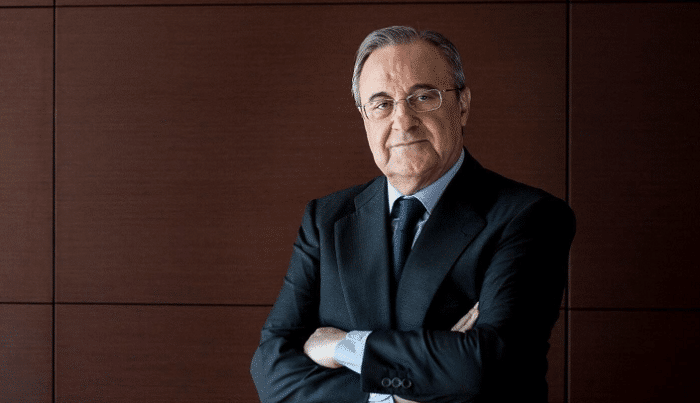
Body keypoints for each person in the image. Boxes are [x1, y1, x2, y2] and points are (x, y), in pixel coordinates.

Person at [250, 26, 575, 403]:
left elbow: (489, 367)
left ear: (462, 104)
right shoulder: (326, 220)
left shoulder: (530, 217)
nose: (403, 121)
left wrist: (345, 347)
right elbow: (270, 371)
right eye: (382, 104)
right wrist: (402, 391)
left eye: (423, 97)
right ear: (365, 117)